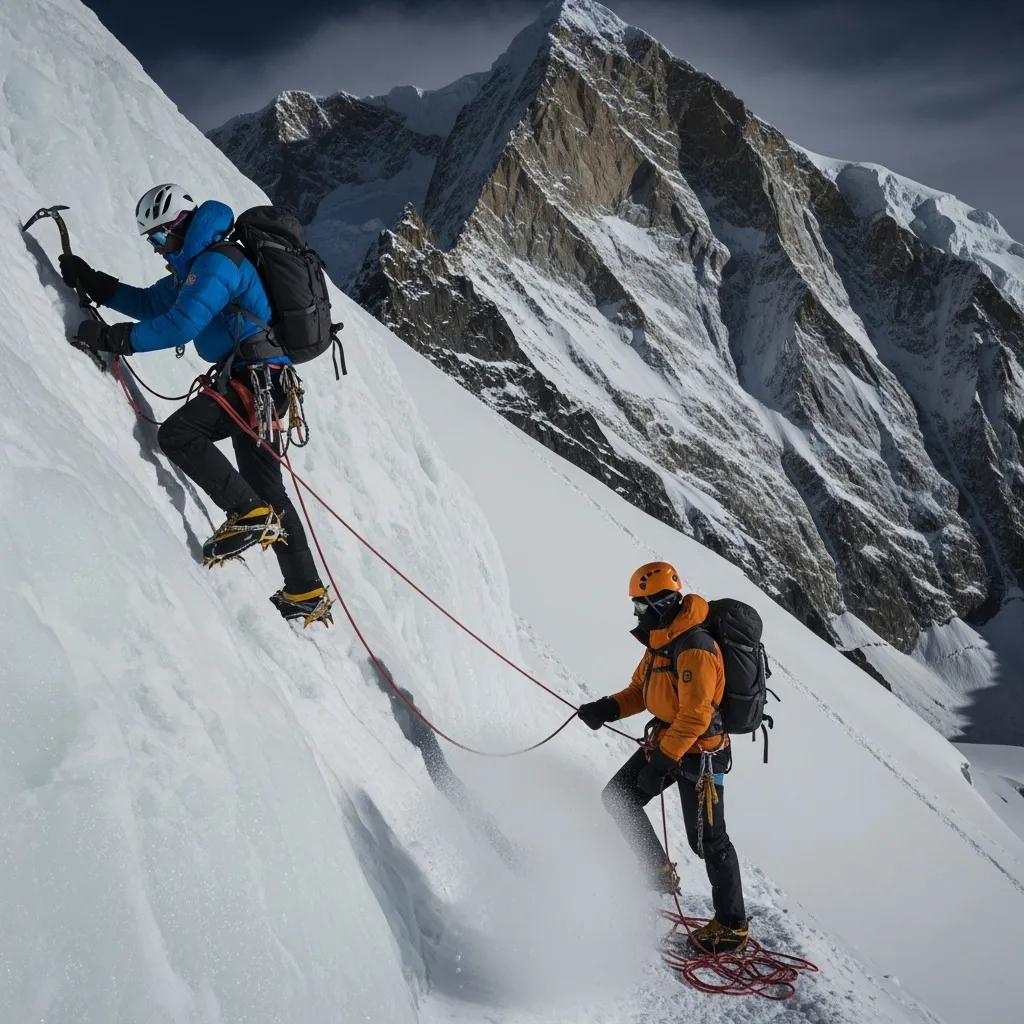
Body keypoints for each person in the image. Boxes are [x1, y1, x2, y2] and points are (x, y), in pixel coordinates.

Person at [60, 183, 331, 627]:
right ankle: (305, 589)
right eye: (151, 239)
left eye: (159, 236)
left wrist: (114, 339)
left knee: (179, 434)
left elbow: (180, 324)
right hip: (264, 383)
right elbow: (150, 302)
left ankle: (246, 513)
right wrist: (92, 281)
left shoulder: (218, 263)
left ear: (182, 225)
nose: (155, 247)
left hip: (252, 381)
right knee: (269, 489)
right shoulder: (200, 265)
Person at [577, 561, 748, 954]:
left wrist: (661, 763)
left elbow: (696, 715)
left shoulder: (696, 649)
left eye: (640, 605)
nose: (636, 613)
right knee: (619, 797)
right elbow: (642, 690)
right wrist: (607, 708)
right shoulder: (662, 640)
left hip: (701, 753)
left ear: (662, 601)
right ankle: (657, 872)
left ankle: (732, 924)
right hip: (671, 743)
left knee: (709, 841)